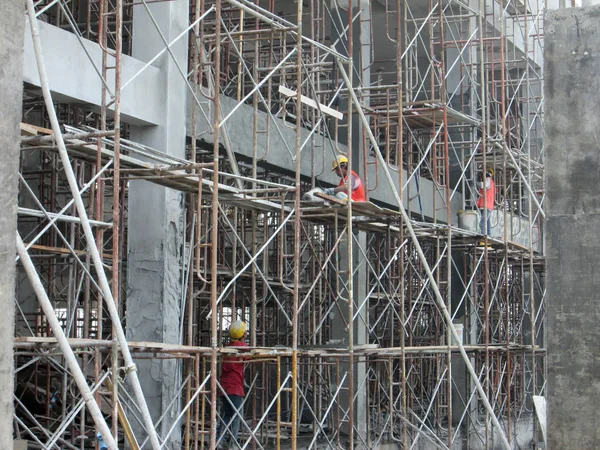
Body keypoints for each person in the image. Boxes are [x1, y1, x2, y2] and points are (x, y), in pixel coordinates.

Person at [217, 321, 249, 449]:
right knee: (236, 416)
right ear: (242, 334)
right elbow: (249, 356)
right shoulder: (241, 346)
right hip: (234, 388)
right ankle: (233, 444)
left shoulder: (228, 347)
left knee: (227, 415)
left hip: (224, 387)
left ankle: (219, 441)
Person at [477, 168, 496, 236]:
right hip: (486, 206)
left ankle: (483, 240)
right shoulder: (491, 182)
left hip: (486, 206)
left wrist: (475, 183)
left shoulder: (488, 180)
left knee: (482, 223)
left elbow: (484, 186)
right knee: (487, 224)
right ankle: (488, 239)